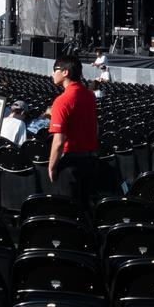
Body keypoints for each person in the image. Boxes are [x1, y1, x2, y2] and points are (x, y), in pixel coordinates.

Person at [46, 55, 99, 208]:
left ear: (65, 72)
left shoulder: (62, 101)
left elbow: (59, 141)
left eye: (55, 70)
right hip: (91, 161)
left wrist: (52, 166)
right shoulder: (89, 95)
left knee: (68, 212)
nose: (52, 74)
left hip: (72, 165)